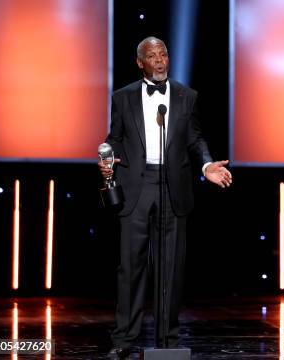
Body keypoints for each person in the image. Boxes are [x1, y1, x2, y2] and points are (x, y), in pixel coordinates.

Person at [98, 36, 232, 359]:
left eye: (164, 54)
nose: (160, 60)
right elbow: (113, 138)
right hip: (136, 185)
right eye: (152, 56)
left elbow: (195, 138)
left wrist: (206, 164)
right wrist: (106, 159)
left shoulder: (187, 96)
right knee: (131, 267)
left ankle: (168, 342)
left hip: (174, 186)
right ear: (140, 62)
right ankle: (124, 340)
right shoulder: (123, 97)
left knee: (170, 267)